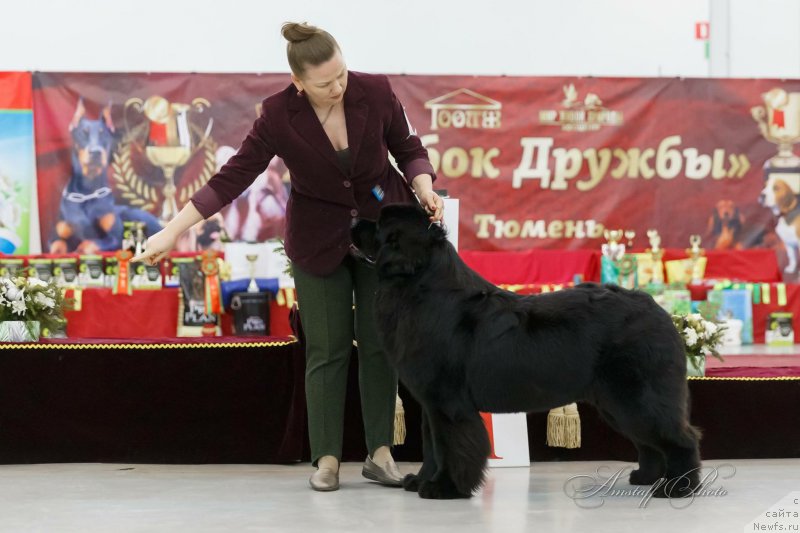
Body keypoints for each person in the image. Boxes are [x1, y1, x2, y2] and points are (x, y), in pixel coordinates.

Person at [131, 21, 443, 492]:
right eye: (324, 83)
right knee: (328, 349)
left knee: (380, 343)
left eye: (341, 75)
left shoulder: (375, 91)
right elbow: (232, 177)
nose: (338, 87)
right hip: (318, 240)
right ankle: (328, 459)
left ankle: (380, 454)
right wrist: (173, 231)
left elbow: (408, 147)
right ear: (299, 83)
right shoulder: (278, 115)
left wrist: (423, 186)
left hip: (384, 231)